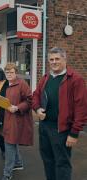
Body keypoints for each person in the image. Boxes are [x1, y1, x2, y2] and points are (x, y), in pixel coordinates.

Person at [32, 47, 87, 180]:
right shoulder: (45, 78)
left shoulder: (75, 79)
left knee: (62, 163)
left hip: (62, 130)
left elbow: (82, 108)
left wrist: (74, 133)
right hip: (44, 127)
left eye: (57, 59)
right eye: (51, 59)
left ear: (64, 59)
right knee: (48, 160)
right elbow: (35, 96)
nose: (54, 62)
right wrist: (38, 108)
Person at [0, 63, 33, 180]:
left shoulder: (22, 84)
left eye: (11, 72)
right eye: (7, 72)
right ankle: (18, 163)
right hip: (3, 118)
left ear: (16, 72)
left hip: (14, 119)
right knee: (11, 142)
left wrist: (18, 107)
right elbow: (1, 99)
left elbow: (30, 100)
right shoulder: (3, 83)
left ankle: (7, 173)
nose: (9, 74)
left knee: (9, 144)